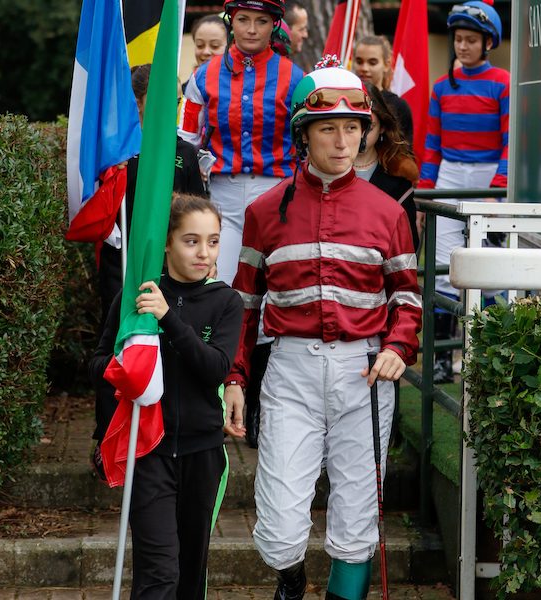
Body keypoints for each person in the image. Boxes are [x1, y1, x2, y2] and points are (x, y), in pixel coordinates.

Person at [223, 63, 422, 600]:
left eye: (353, 128)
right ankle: (290, 579)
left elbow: (407, 298)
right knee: (279, 521)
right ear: (303, 135)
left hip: (365, 373)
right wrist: (235, 378)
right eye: (328, 128)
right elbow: (244, 306)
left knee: (357, 517)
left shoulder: (389, 212)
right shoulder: (263, 211)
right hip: (290, 370)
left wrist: (399, 346)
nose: (342, 141)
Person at [90, 193, 244, 599]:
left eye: (213, 241)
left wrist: (168, 319)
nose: (204, 252)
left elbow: (215, 367)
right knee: (158, 572)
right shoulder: (136, 297)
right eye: (191, 241)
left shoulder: (226, 302)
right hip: (148, 451)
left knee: (190, 574)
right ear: (167, 244)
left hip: (202, 453)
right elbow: (98, 364)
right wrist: (126, 369)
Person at [93, 64, 205, 469]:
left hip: (171, 271)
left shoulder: (184, 153)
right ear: (137, 103)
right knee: (121, 345)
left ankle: (159, 432)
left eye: (175, 101)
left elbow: (199, 211)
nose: (169, 108)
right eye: (159, 100)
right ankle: (108, 435)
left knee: (167, 345)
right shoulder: (117, 151)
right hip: (123, 265)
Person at [178, 0, 304, 286]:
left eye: (261, 21)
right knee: (220, 285)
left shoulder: (296, 79)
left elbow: (306, 146)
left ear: (274, 25)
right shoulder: (202, 76)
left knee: (277, 288)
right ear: (231, 21)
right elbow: (186, 140)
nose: (251, 29)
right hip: (223, 197)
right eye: (243, 19)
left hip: (279, 196)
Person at [419, 0, 509, 383]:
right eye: (458, 39)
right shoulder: (442, 87)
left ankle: (492, 354)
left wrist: (497, 189)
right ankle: (441, 359)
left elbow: (509, 141)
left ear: (488, 43)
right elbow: (432, 145)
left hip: (487, 176)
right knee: (443, 267)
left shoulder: (502, 82)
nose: (463, 46)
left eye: (471, 40)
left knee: (489, 268)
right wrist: (425, 195)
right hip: (450, 175)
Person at [355, 82, 420, 249]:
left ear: (382, 127)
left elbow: (408, 243)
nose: (361, 135)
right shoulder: (326, 170)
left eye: (369, 127)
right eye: (353, 126)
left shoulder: (398, 176)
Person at [353, 35, 413, 146]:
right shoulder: (345, 99)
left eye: (372, 63)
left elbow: (405, 151)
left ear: (386, 65)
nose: (364, 68)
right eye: (359, 61)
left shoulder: (398, 106)